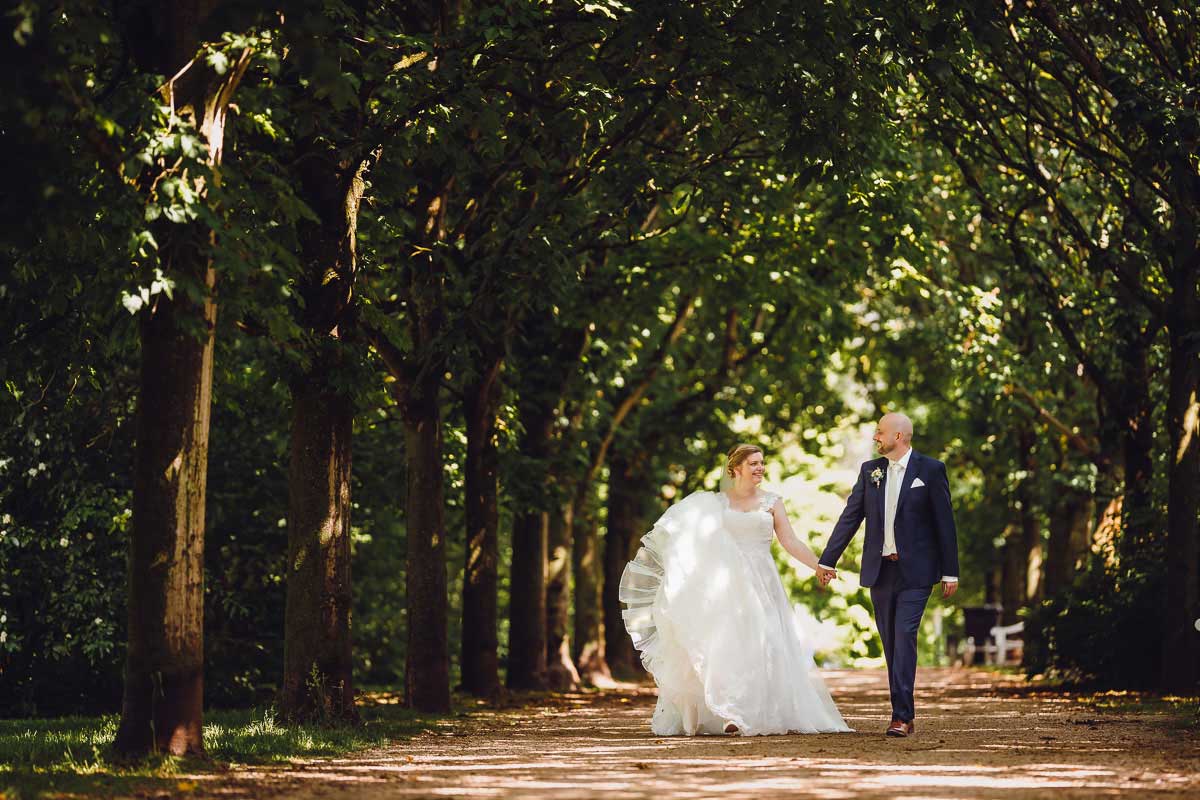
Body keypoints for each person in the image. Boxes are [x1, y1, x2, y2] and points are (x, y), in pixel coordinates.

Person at [619, 444, 850, 736]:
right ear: (735, 469)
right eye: (753, 463)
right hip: (726, 585)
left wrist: (818, 565)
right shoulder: (713, 504)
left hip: (763, 583)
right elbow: (692, 542)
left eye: (762, 463)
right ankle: (729, 712)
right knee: (728, 646)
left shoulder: (772, 502)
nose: (759, 468)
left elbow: (790, 541)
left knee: (763, 645)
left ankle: (760, 710)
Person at [816, 412, 959, 738]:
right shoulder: (871, 472)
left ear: (899, 436)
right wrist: (827, 561)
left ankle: (901, 716)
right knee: (890, 642)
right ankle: (901, 711)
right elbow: (850, 517)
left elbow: (944, 524)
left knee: (905, 636)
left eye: (880, 432)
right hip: (880, 571)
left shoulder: (931, 470)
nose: (875, 438)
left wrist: (951, 571)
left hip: (917, 572)